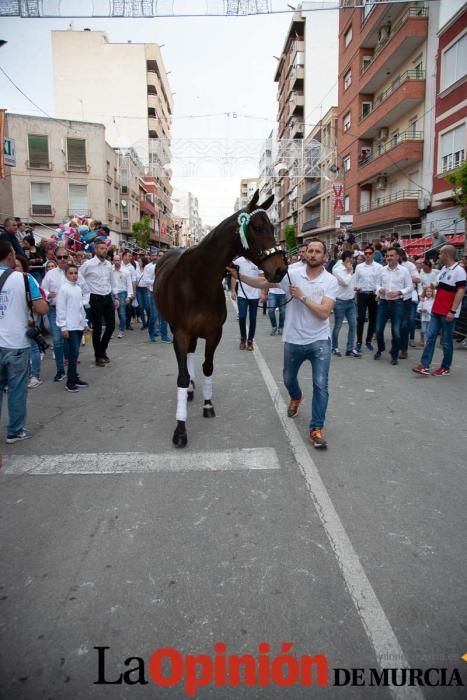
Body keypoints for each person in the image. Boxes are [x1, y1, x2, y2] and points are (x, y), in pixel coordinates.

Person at [230, 240, 338, 449]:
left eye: (318, 252)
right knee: (288, 379)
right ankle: (296, 397)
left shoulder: (330, 281)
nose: (313, 255)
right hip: (293, 340)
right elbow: (263, 283)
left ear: (324, 255)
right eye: (311, 251)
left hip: (319, 341)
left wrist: (302, 297)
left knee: (321, 385)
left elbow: (324, 312)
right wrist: (238, 276)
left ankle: (316, 429)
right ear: (305, 255)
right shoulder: (292, 274)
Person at [0, 240, 48, 442]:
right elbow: (41, 309)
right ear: (10, 256)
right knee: (17, 389)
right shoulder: (25, 278)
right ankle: (15, 430)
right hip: (16, 342)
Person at [413, 245, 466, 376]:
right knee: (430, 337)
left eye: (440, 254)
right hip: (436, 309)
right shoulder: (443, 269)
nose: (439, 257)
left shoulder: (459, 271)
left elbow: (461, 291)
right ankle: (424, 365)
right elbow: (440, 284)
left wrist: (453, 311)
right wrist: (434, 285)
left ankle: (445, 367)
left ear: (446, 254)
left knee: (447, 341)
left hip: (448, 311)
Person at [79, 240, 118, 367]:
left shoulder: (108, 265)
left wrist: (116, 296)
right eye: (101, 248)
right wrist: (85, 293)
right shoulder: (88, 264)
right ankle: (98, 356)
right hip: (94, 298)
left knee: (111, 326)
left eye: (105, 248)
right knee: (97, 328)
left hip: (107, 297)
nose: (104, 250)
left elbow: (112, 281)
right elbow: (79, 278)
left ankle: (102, 349)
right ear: (95, 250)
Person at [374, 247, 413, 365]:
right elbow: (377, 284)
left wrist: (399, 292)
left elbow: (410, 287)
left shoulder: (404, 271)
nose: (389, 258)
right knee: (378, 329)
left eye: (391, 256)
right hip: (384, 303)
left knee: (396, 331)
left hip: (397, 303)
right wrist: (380, 289)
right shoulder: (382, 270)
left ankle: (394, 354)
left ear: (397, 257)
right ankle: (380, 348)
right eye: (387, 256)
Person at [56, 264, 89, 392]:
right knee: (72, 354)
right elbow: (61, 309)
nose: (74, 275)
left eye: (76, 273)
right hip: (69, 326)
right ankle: (70, 381)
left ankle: (74, 377)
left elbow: (81, 308)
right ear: (66, 275)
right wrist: (63, 327)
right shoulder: (64, 289)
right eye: (71, 273)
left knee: (75, 354)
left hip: (78, 325)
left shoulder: (78, 288)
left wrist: (85, 323)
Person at [42, 247, 73, 381]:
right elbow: (42, 288)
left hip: (70, 311)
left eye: (65, 257)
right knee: (57, 340)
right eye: (59, 257)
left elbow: (83, 288)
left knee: (70, 340)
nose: (62, 260)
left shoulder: (73, 272)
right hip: (54, 310)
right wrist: (48, 294)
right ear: (55, 257)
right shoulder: (50, 274)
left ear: (68, 257)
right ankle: (60, 369)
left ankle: (71, 368)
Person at [15, 255, 43, 389]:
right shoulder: (7, 279)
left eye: (17, 266)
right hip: (14, 320)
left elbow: (39, 300)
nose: (14, 269)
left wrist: (31, 313)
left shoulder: (28, 278)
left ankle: (35, 376)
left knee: (32, 346)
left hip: (30, 317)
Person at [332, 251, 360, 357]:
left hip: (350, 301)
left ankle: (350, 349)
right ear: (347, 258)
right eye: (351, 258)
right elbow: (345, 282)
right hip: (340, 301)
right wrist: (349, 272)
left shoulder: (351, 269)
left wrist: (355, 291)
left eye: (353, 258)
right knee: (338, 325)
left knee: (353, 325)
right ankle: (335, 347)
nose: (353, 260)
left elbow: (351, 284)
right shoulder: (337, 270)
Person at [354, 245, 382, 352]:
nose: (368, 255)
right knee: (360, 318)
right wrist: (355, 291)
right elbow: (355, 280)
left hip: (373, 295)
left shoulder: (379, 267)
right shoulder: (359, 267)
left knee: (372, 318)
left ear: (373, 254)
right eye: (366, 253)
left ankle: (368, 341)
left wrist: (378, 295)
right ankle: (359, 342)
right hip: (361, 294)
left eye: (370, 253)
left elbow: (380, 282)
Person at [231, 255, 261, 351]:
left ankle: (250, 340)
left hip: (255, 295)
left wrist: (264, 293)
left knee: (253, 319)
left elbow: (262, 277)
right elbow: (233, 275)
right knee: (242, 317)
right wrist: (233, 290)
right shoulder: (238, 261)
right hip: (242, 294)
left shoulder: (257, 260)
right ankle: (243, 338)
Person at [111, 255, 133, 339]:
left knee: (122, 314)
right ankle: (111, 331)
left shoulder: (126, 271)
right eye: (115, 260)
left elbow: (129, 284)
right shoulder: (110, 270)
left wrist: (129, 296)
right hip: (112, 294)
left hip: (122, 294)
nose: (117, 262)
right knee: (111, 315)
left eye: (118, 260)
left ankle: (121, 330)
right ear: (113, 261)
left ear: (121, 261)